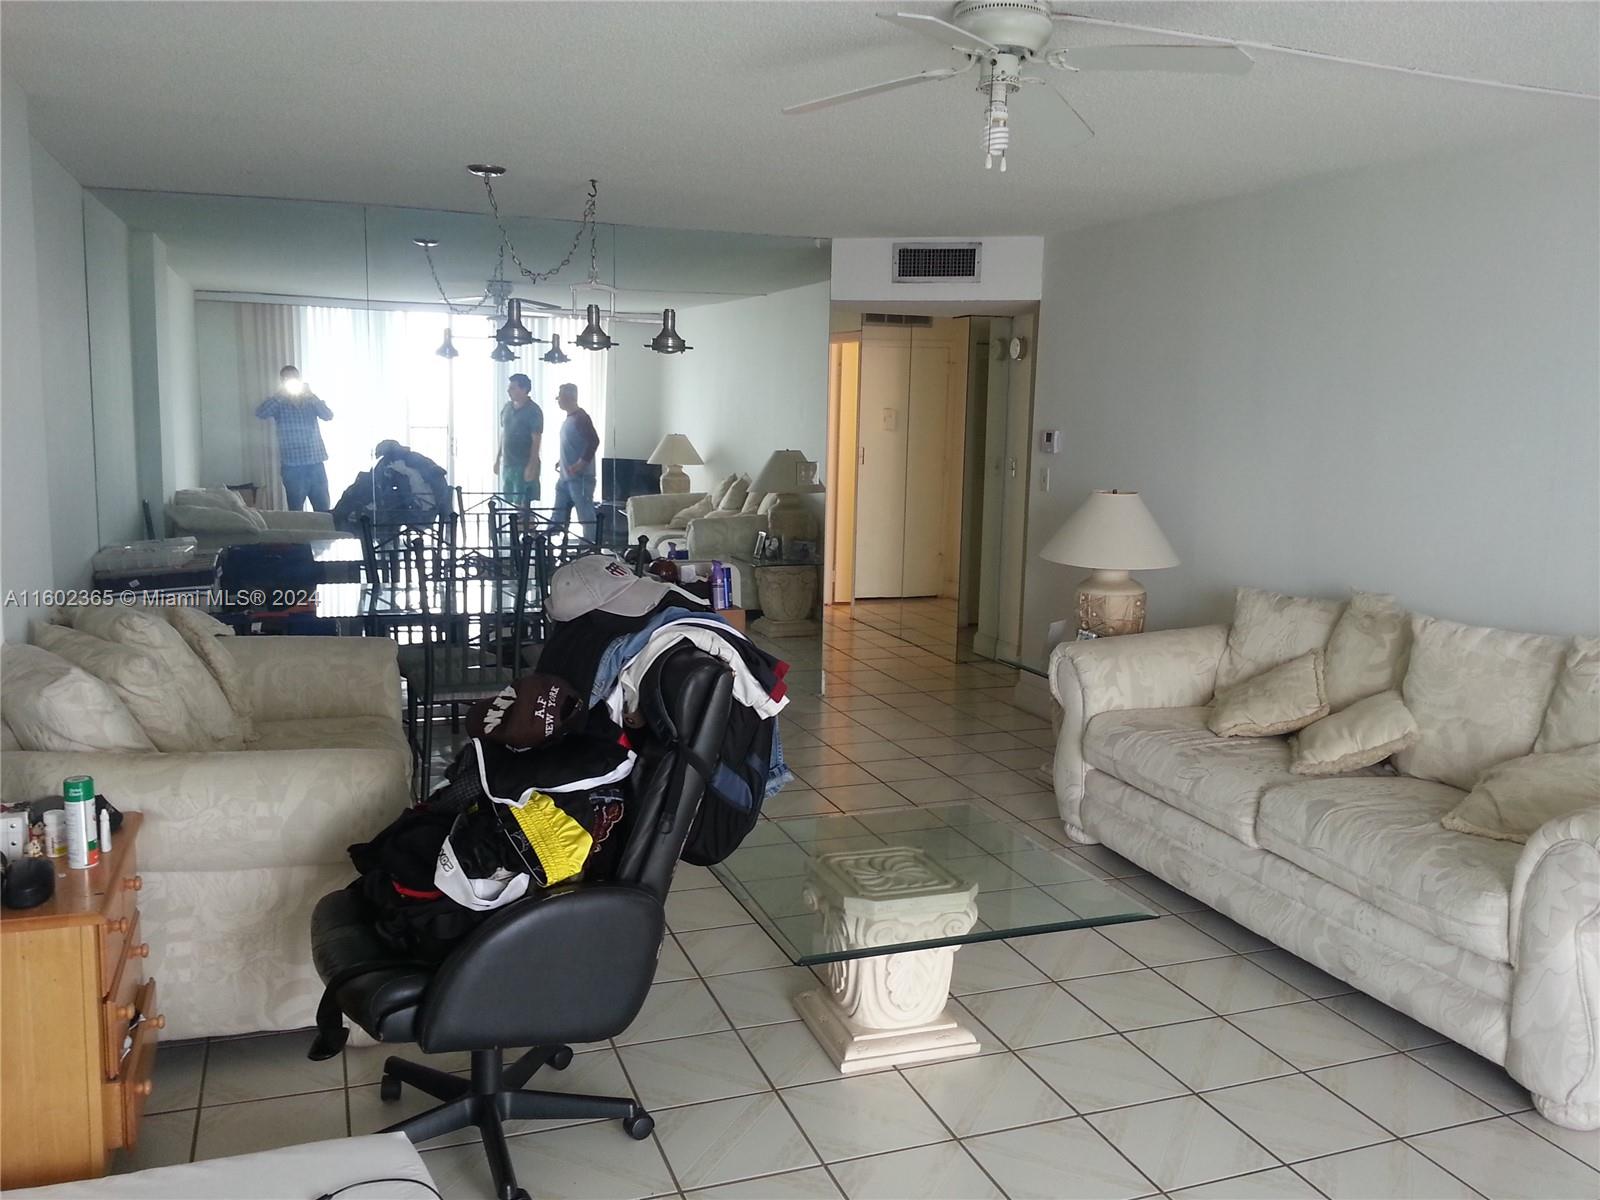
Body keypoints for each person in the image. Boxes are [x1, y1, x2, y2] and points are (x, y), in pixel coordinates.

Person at [255, 365, 334, 511]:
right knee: (297, 512)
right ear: (282, 381)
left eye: (295, 378)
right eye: (287, 379)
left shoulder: (310, 401)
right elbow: (261, 413)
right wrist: (281, 395)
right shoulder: (279, 403)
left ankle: (326, 534)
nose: (292, 381)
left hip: (316, 463)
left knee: (324, 511)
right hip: (292, 467)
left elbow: (328, 416)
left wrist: (312, 396)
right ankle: (301, 535)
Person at [548, 383, 600, 543]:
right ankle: (546, 543)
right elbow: (573, 443)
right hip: (565, 477)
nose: (558, 400)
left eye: (560, 397)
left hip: (581, 477)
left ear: (569, 398)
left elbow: (593, 441)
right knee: (558, 513)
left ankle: (590, 547)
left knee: (585, 514)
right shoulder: (570, 418)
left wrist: (581, 463)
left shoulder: (581, 418)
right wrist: (561, 460)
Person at [495, 373, 543, 510]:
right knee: (513, 502)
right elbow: (504, 434)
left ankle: (529, 530)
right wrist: (498, 459)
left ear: (524, 389)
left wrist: (532, 465)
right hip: (508, 463)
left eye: (513, 388)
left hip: (524, 463)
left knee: (524, 504)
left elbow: (536, 439)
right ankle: (517, 530)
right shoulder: (507, 408)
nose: (509, 391)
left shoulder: (533, 411)